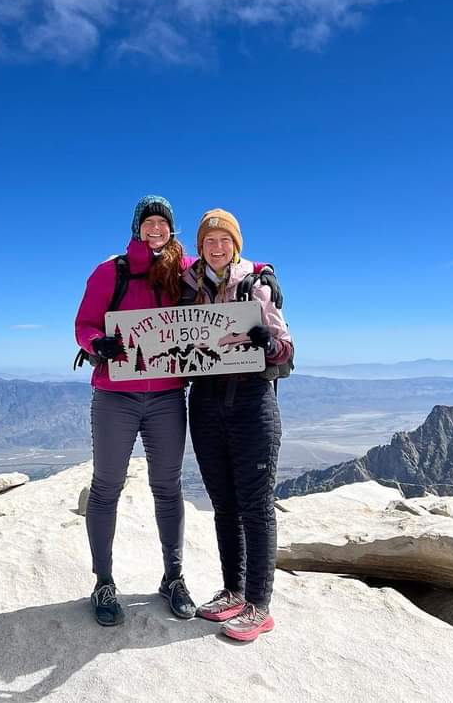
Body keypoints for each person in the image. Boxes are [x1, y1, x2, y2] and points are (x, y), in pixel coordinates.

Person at [74, 195, 197, 626]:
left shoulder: (184, 269)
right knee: (106, 486)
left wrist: (262, 271)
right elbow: (85, 324)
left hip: (167, 396)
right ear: (137, 227)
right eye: (148, 222)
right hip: (116, 396)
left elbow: (226, 263)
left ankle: (173, 577)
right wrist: (97, 343)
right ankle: (104, 582)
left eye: (163, 222)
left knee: (168, 487)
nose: (156, 229)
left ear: (172, 228)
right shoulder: (112, 271)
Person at [180, 208, 293, 642]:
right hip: (205, 401)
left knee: (256, 505)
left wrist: (268, 341)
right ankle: (234, 590)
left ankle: (259, 606)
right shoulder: (188, 286)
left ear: (236, 244)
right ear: (200, 247)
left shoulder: (256, 284)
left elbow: (286, 348)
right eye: (209, 240)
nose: (217, 247)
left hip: (251, 400)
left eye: (225, 239)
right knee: (224, 503)